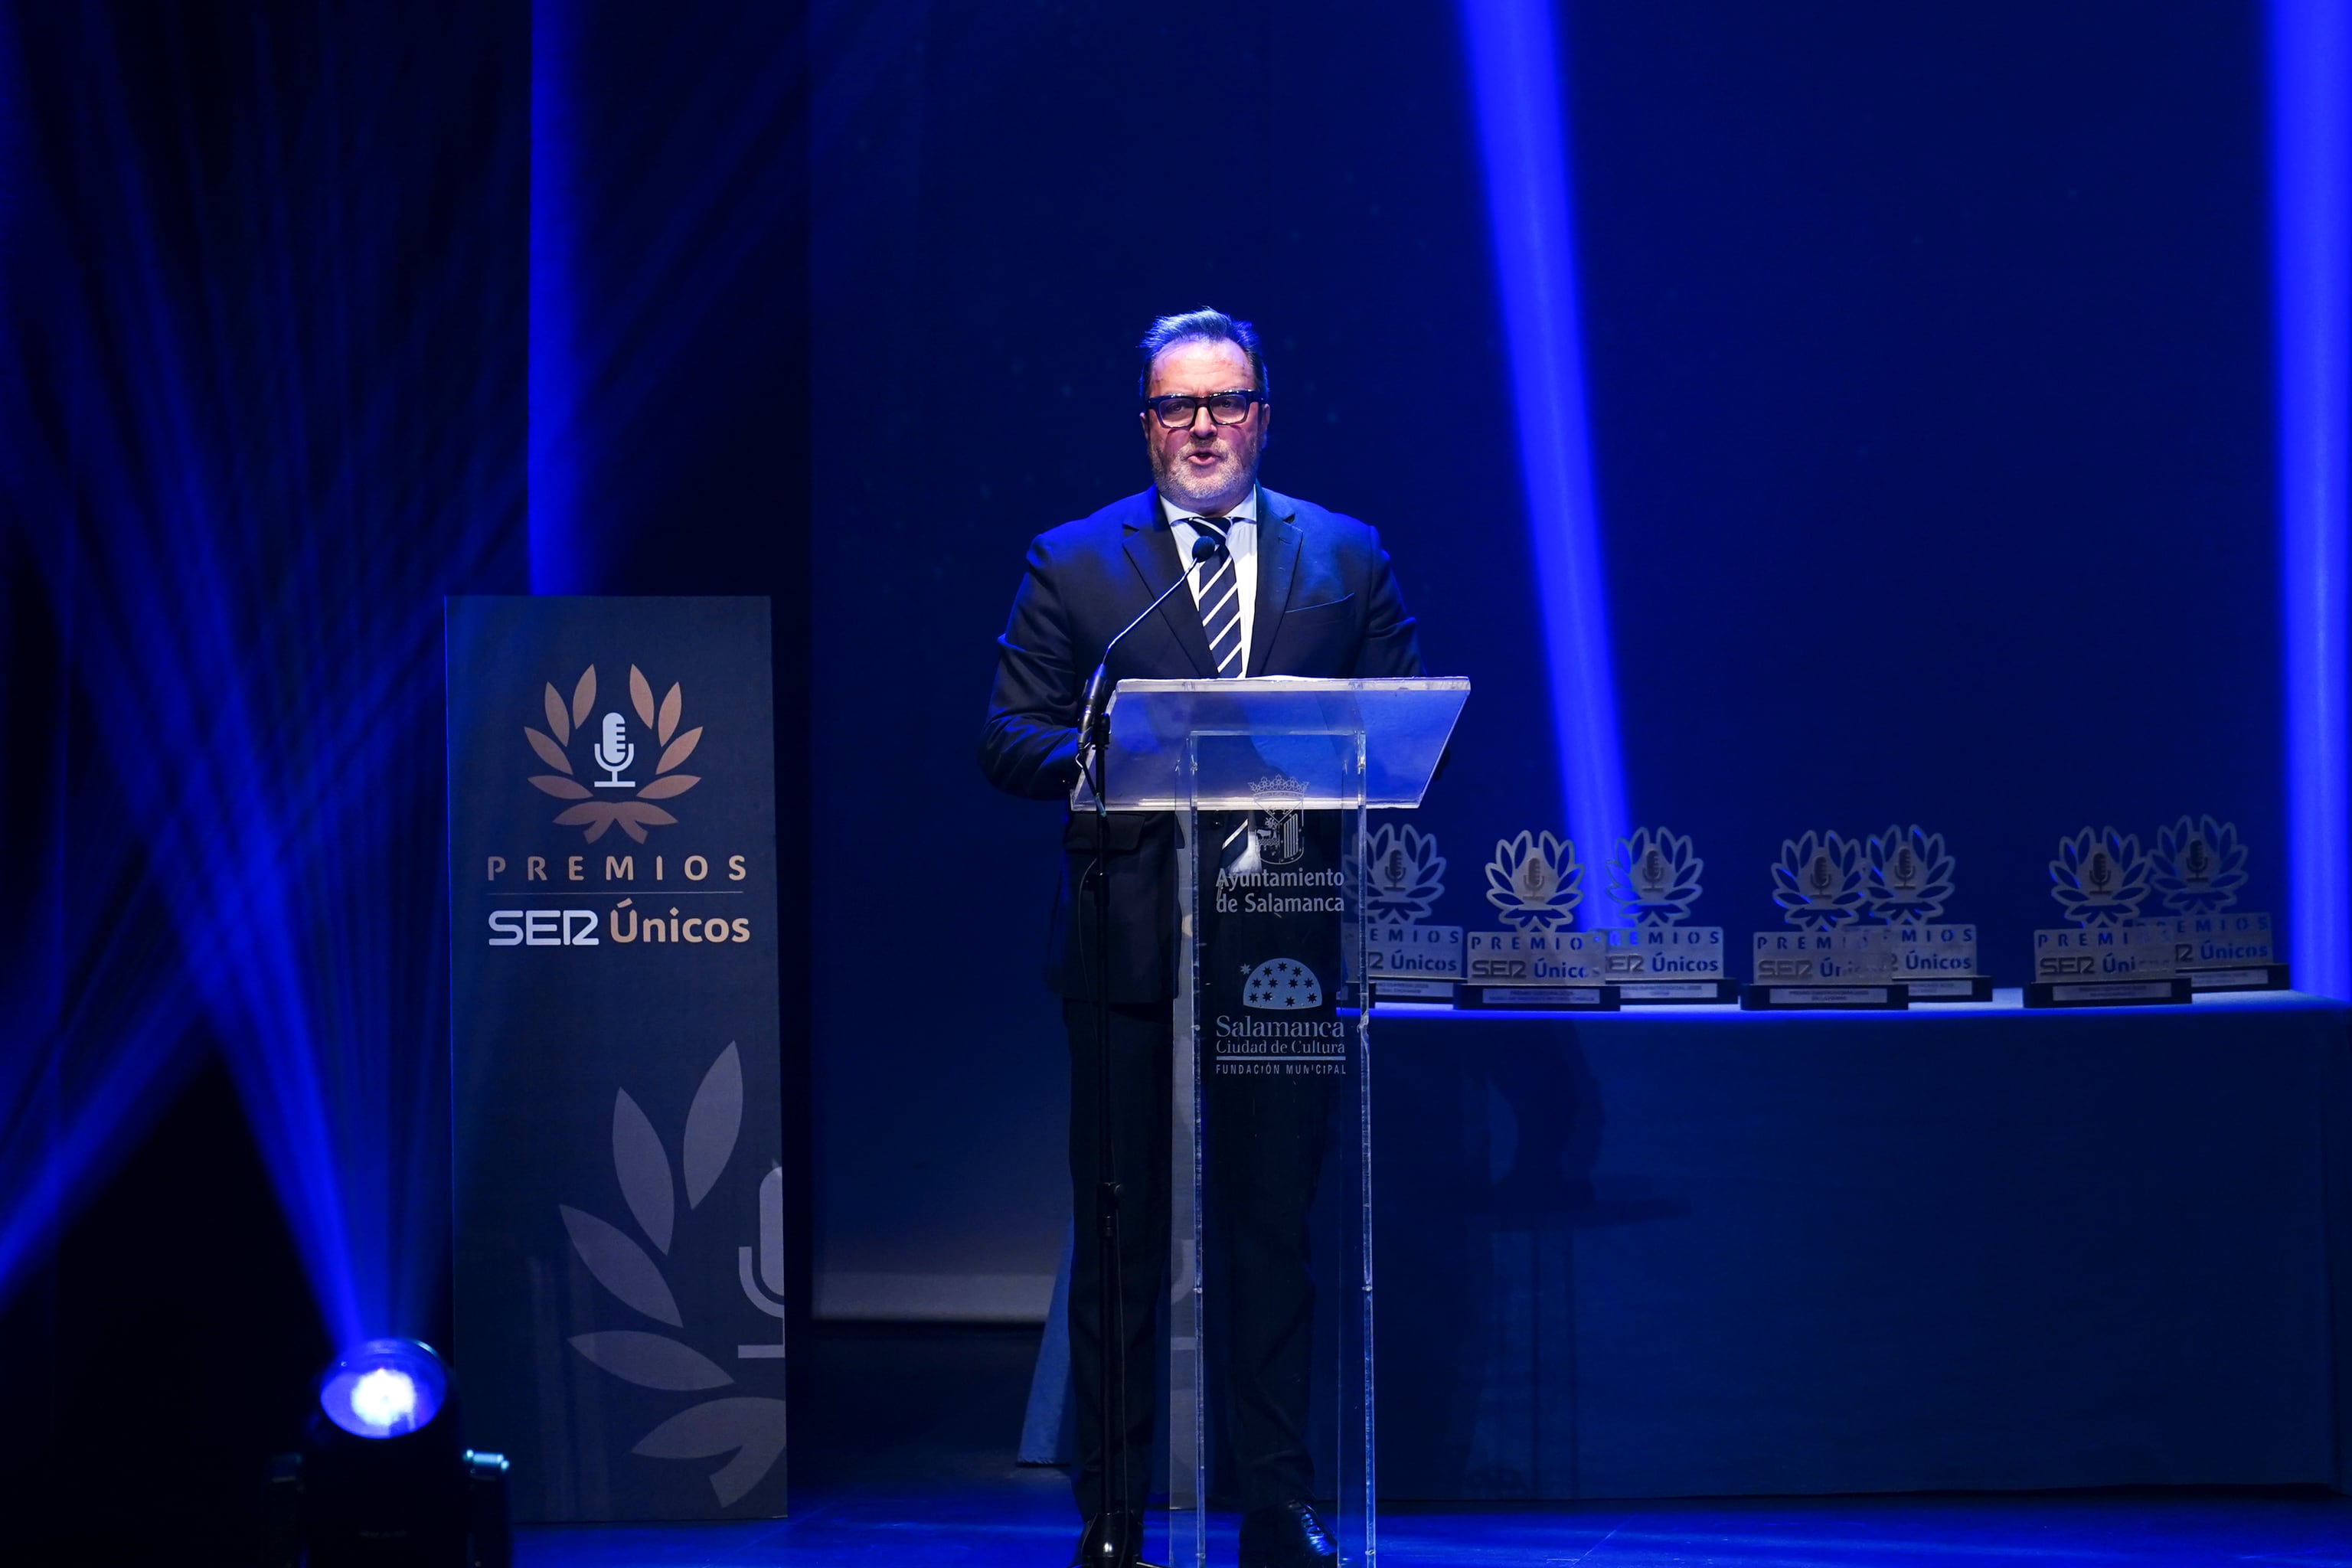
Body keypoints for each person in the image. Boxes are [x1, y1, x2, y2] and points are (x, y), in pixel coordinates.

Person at [981, 309, 1425, 1568]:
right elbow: (1005, 735)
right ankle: (1115, 1510)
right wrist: (1114, 749)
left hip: (1279, 949)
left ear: (1264, 416)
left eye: (1225, 403)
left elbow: (1399, 724)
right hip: (1128, 953)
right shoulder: (1076, 565)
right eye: (1177, 408)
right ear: (1147, 425)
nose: (1202, 428)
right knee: (1124, 1233)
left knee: (1270, 1232)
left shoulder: (1344, 553)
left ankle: (1279, 1503)